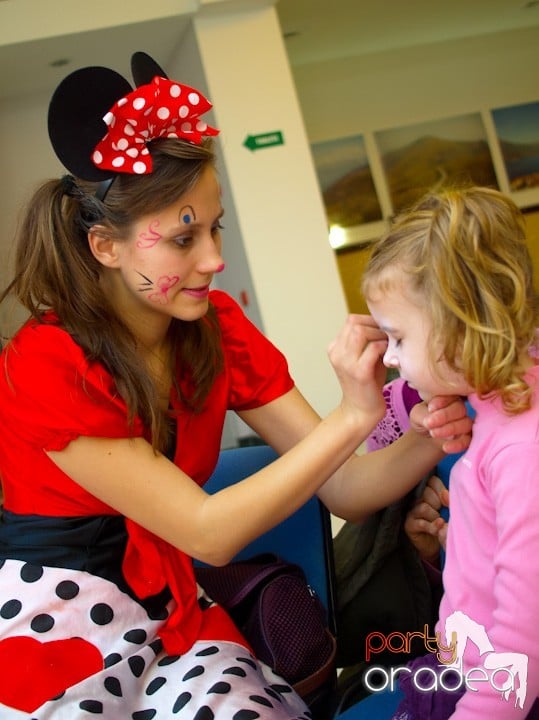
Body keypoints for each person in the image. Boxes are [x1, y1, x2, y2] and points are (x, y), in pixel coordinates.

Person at [0, 53, 471, 719]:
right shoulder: (44, 363)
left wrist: (431, 429)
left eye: (215, 226)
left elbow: (347, 492)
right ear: (106, 247)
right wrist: (351, 414)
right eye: (183, 237)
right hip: (55, 629)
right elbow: (208, 533)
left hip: (173, 617)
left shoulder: (215, 328)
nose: (214, 258)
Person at [361, 185, 539, 719]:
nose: (390, 358)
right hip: (460, 663)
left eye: (398, 339)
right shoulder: (498, 407)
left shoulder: (520, 446)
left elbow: (526, 634)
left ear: (461, 331)